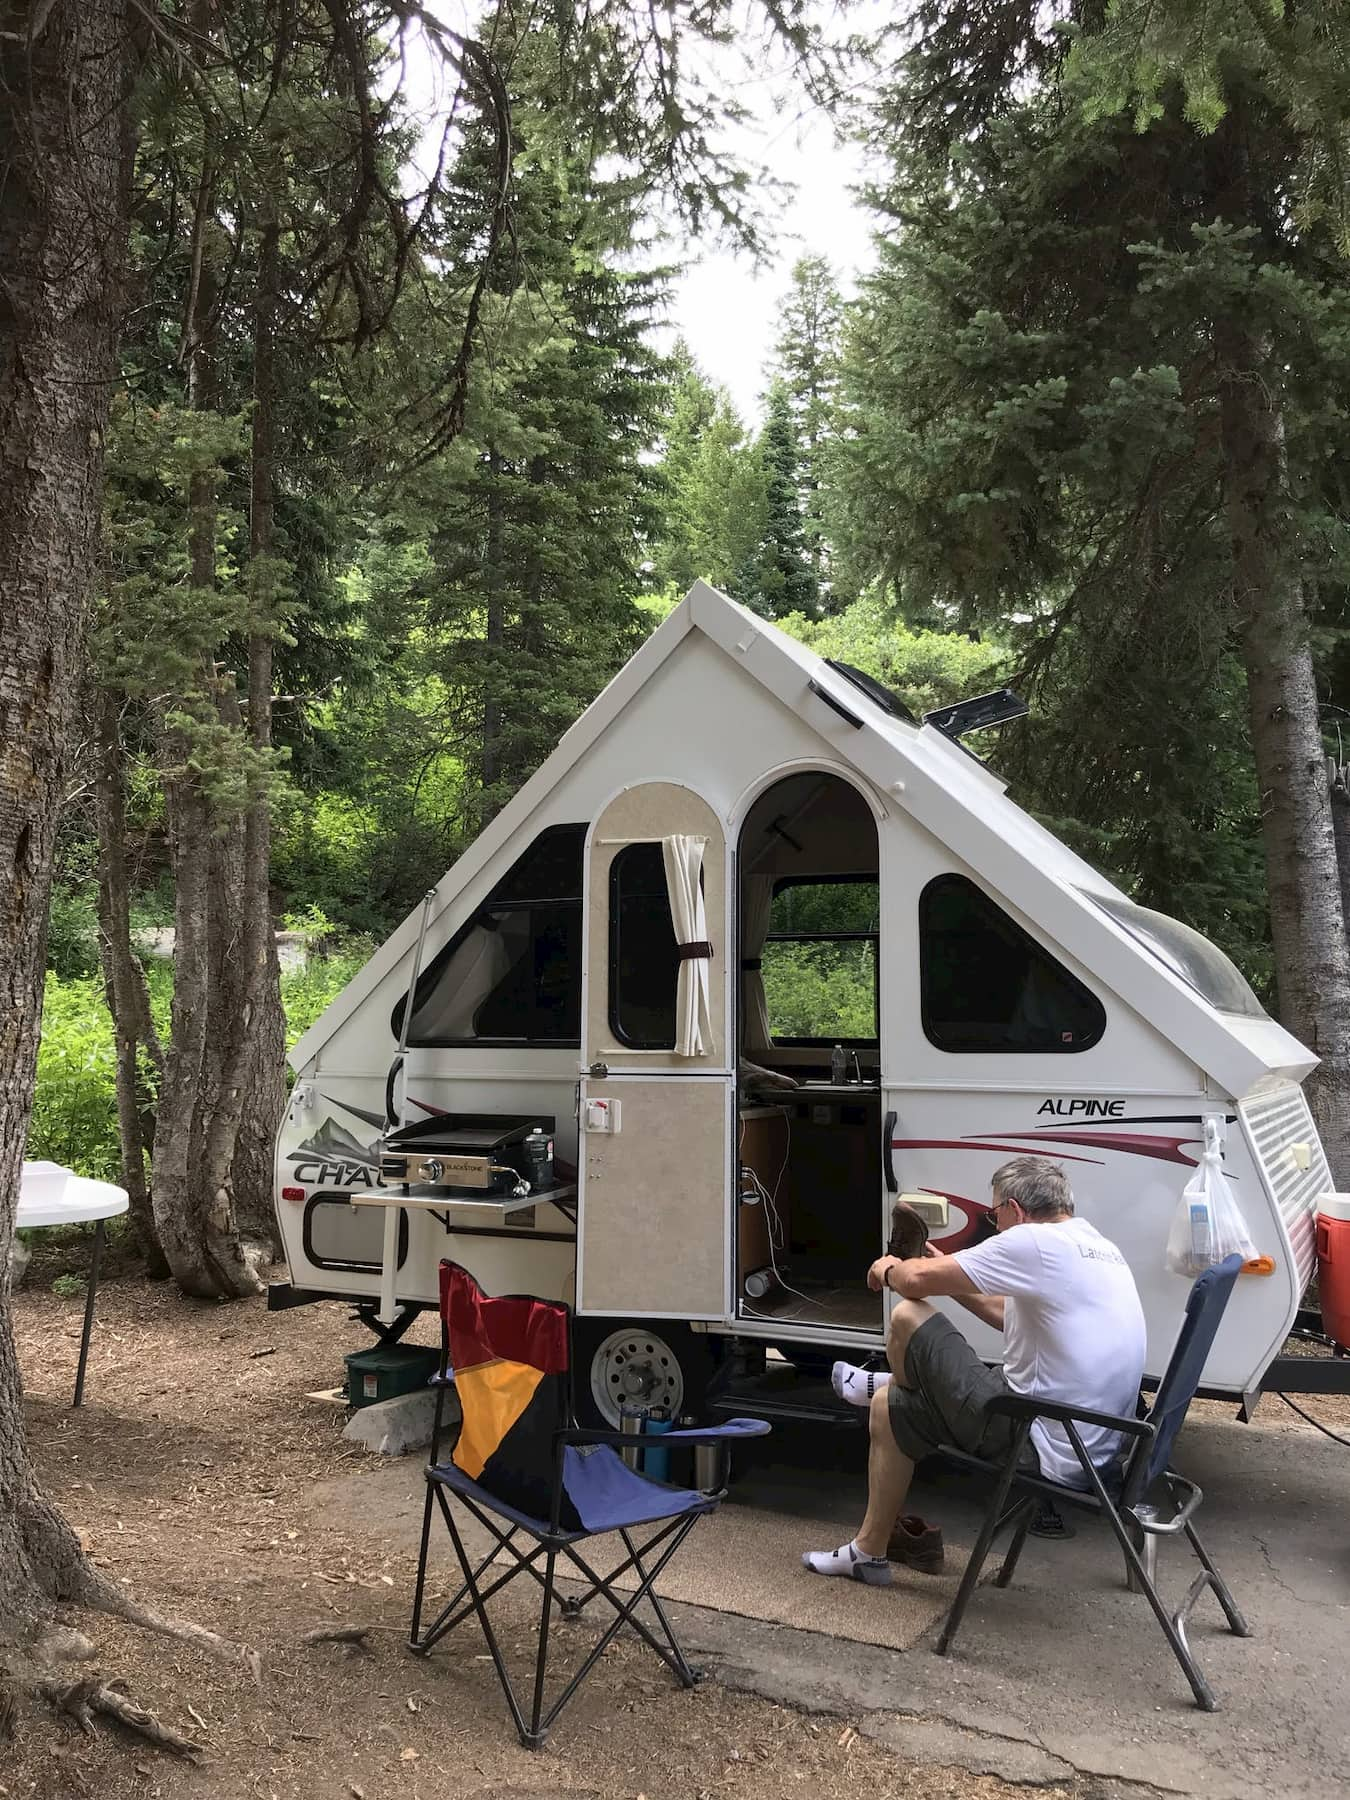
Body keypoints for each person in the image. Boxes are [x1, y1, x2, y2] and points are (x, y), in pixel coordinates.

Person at [803, 1155, 1146, 1586]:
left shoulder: (1032, 1242)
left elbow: (913, 1284)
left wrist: (889, 1268)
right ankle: (867, 1554)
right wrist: (948, 1273)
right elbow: (1005, 1314)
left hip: (1035, 1438)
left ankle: (897, 1379)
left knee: (908, 1315)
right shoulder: (1095, 1245)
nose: (994, 1223)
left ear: (1016, 1210)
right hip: (1086, 1443)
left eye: (994, 1214)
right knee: (889, 1408)